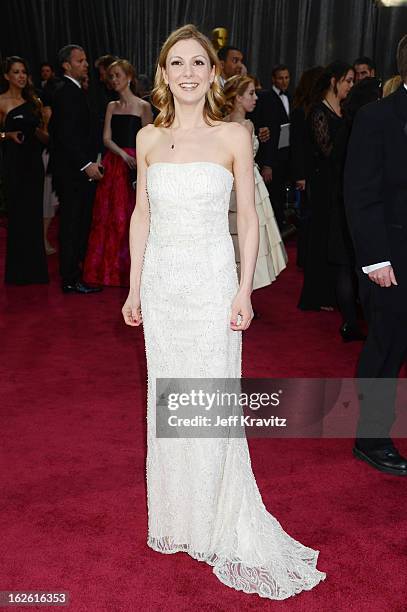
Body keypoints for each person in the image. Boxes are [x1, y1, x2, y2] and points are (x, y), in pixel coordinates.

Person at [121, 24, 325, 600]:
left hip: (212, 283)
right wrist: (134, 288)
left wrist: (244, 291)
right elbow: (142, 217)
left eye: (198, 64)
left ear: (213, 73)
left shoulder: (235, 135)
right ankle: (179, 519)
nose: (188, 73)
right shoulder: (148, 140)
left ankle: (217, 517)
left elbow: (252, 218)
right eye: (177, 64)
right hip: (163, 288)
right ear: (163, 74)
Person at [344, 35, 407, 476]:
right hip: (394, 259)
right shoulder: (377, 117)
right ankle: (371, 437)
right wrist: (376, 259)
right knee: (387, 346)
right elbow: (360, 193)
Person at [298, 62, 360, 342]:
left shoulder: (343, 111)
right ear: (334, 81)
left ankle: (331, 293)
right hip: (324, 185)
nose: (349, 85)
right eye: (347, 80)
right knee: (321, 236)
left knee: (333, 241)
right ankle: (315, 295)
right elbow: (328, 152)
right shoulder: (319, 112)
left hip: (340, 184)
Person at [83, 59, 153, 286]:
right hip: (115, 164)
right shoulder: (111, 106)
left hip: (136, 166)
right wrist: (123, 155)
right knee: (109, 217)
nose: (114, 80)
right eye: (111, 76)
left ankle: (134, 272)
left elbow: (150, 140)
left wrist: (138, 161)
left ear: (129, 77)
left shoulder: (144, 107)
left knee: (133, 216)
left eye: (118, 75)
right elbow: (106, 138)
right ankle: (108, 272)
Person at [223, 74, 287, 290]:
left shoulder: (220, 124)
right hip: (247, 182)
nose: (256, 98)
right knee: (249, 236)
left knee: (231, 237)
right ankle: (243, 289)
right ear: (238, 98)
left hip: (227, 183)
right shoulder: (246, 125)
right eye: (251, 94)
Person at [48, 44, 103, 294]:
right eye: (80, 60)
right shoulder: (66, 91)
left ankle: (74, 275)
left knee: (78, 223)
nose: (85, 64)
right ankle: (70, 279)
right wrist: (86, 164)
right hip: (72, 172)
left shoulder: (75, 90)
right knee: (72, 224)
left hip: (77, 171)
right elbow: (66, 135)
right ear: (66, 65)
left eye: (85, 60)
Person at [0, 56, 49, 284]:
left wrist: (40, 131)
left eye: (23, 72)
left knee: (33, 216)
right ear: (7, 76)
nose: (21, 76)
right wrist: (7, 135)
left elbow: (46, 137)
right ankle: (17, 273)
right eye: (16, 72)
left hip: (33, 164)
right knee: (18, 217)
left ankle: (36, 272)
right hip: (13, 166)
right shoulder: (1, 101)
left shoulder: (35, 102)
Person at [290, 66, 324, 267]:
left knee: (311, 215)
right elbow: (297, 146)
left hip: (314, 170)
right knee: (306, 216)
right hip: (305, 171)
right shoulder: (299, 111)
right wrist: (300, 175)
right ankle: (304, 258)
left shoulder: (315, 108)